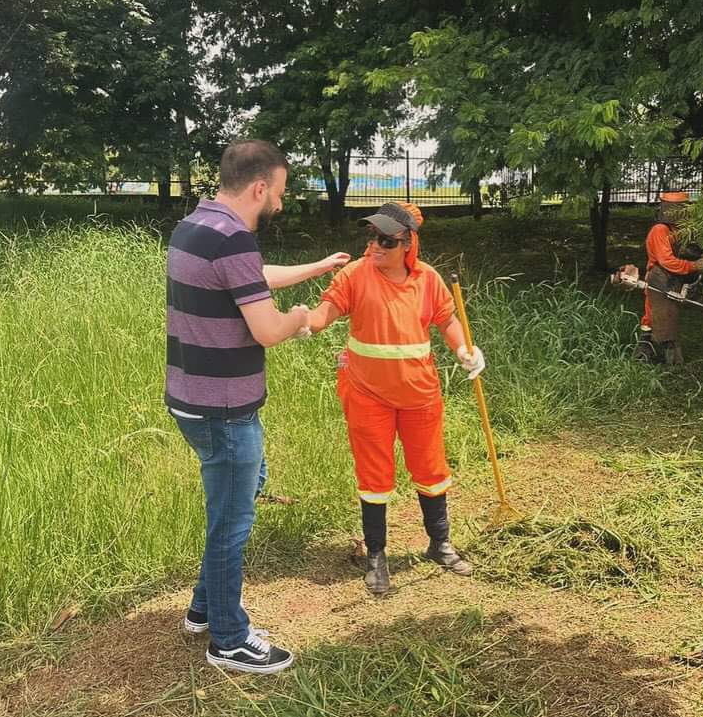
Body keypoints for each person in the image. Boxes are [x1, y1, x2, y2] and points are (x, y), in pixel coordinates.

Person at [166, 139, 349, 673]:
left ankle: (204, 609)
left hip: (191, 400)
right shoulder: (235, 240)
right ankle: (228, 638)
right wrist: (302, 318)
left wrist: (319, 267)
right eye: (282, 193)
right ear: (260, 187)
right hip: (223, 408)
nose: (282, 205)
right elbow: (268, 328)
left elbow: (249, 279)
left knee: (240, 493)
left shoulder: (196, 226)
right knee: (232, 521)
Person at [305, 202, 485, 596]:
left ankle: (439, 544)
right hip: (366, 393)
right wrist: (303, 324)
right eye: (372, 237)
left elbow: (448, 320)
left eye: (386, 240)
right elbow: (325, 312)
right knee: (374, 475)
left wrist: (464, 349)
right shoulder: (355, 275)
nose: (375, 246)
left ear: (408, 244)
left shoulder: (430, 280)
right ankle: (376, 556)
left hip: (419, 392)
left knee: (430, 467)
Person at [635, 191, 703, 365]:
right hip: (659, 278)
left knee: (667, 316)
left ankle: (651, 357)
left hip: (671, 278)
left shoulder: (678, 231)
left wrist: (701, 258)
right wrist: (693, 266)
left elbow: (684, 252)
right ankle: (650, 358)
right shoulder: (659, 230)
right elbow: (666, 260)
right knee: (655, 316)